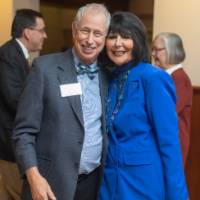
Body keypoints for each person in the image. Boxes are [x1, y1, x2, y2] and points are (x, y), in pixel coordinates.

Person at [12, 3, 111, 200]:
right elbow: (23, 132)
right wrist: (34, 178)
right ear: (75, 30)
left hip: (92, 185)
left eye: (98, 33)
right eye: (85, 30)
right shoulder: (44, 69)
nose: (90, 40)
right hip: (49, 184)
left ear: (106, 37)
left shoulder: (108, 76)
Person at [98, 12, 188, 200]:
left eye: (126, 37)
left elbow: (169, 143)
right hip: (109, 183)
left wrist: (178, 196)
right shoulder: (110, 79)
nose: (118, 43)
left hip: (142, 184)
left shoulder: (153, 78)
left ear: (137, 41)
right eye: (112, 37)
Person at [0, 9, 47, 200]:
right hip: (10, 145)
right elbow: (15, 99)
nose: (45, 35)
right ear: (28, 32)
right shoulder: (9, 54)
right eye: (42, 30)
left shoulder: (19, 54)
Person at [152, 32, 193, 168]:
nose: (153, 54)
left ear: (171, 51)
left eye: (157, 50)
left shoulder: (180, 79)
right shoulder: (165, 76)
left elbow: (165, 114)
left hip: (173, 147)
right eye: (153, 49)